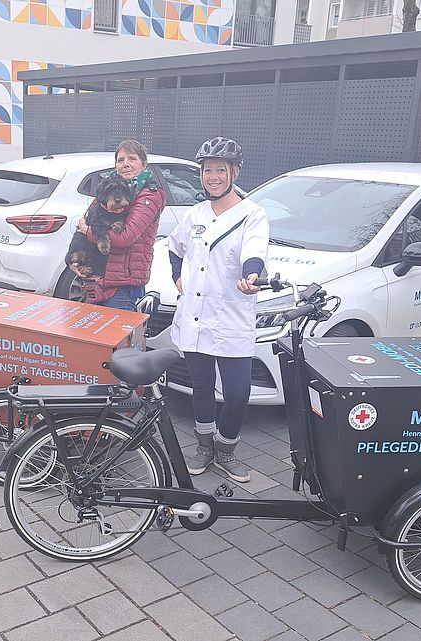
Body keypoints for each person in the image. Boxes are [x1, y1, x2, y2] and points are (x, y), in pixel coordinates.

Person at [168, 137, 269, 483]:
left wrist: (252, 273)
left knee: (238, 392)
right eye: (207, 170)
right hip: (195, 315)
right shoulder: (194, 214)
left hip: (230, 318)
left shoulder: (252, 214)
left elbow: (254, 253)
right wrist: (174, 277)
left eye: (220, 170)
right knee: (201, 386)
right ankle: (204, 446)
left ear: (234, 172)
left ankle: (226, 450)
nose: (212, 177)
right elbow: (175, 247)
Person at [73, 140, 166, 311]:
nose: (125, 164)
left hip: (122, 287)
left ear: (144, 164)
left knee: (121, 337)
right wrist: (75, 260)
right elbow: (89, 218)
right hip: (98, 280)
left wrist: (88, 231)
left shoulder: (150, 194)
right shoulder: (108, 187)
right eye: (120, 160)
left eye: (132, 159)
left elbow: (125, 237)